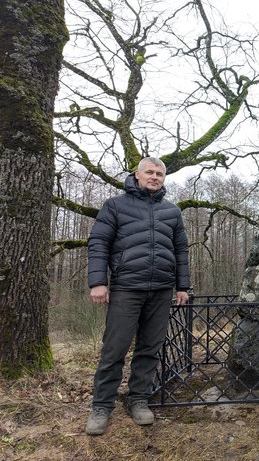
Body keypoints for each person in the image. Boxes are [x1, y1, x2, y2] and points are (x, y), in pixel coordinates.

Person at [85, 157, 191, 435]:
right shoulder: (115, 206)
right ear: (138, 175)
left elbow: (181, 250)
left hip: (161, 289)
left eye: (159, 174)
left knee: (149, 349)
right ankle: (102, 406)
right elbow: (99, 242)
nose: (154, 177)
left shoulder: (172, 211)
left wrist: (183, 286)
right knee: (114, 349)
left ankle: (138, 400)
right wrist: (98, 282)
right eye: (150, 172)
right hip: (126, 288)